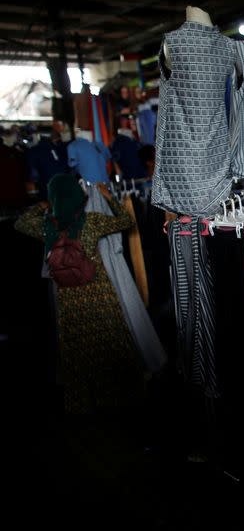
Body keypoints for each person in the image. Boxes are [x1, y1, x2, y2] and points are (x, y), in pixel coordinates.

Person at [15, 175, 144, 416]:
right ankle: (119, 397)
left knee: (78, 350)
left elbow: (19, 223)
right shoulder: (91, 221)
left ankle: (83, 403)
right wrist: (109, 198)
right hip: (99, 291)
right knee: (110, 341)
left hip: (68, 297)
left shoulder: (47, 226)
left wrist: (43, 206)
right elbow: (126, 221)